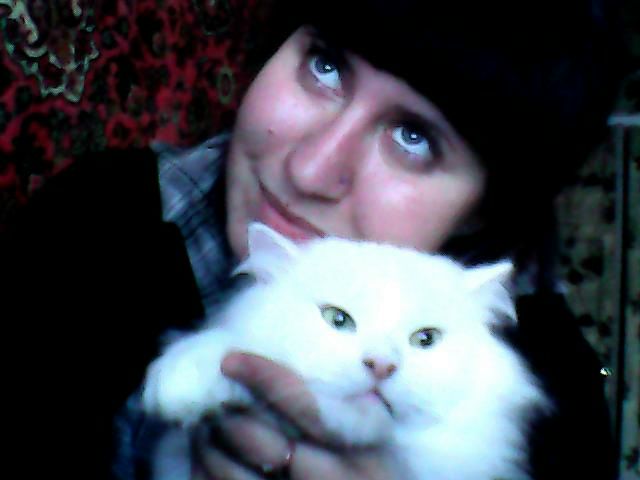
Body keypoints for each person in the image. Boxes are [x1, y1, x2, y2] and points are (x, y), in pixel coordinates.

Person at [0, 0, 630, 479]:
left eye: (414, 138)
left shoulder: (555, 403)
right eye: (324, 66)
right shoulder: (98, 217)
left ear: (483, 212)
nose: (309, 170)